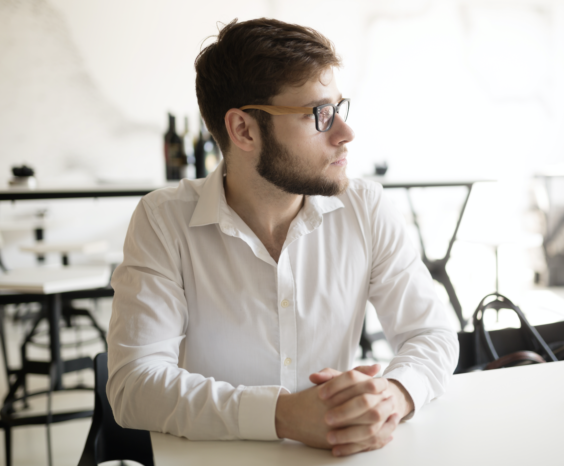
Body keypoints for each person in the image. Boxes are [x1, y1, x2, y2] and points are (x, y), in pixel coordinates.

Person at [106, 17, 458, 457]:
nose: (345, 133)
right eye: (319, 114)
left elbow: (432, 334)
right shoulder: (164, 220)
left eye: (339, 108)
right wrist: (282, 415)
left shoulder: (366, 207)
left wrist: (395, 394)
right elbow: (134, 385)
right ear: (244, 130)